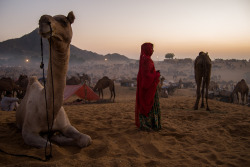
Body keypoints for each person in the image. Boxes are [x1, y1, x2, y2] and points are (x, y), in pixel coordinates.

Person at [135, 42, 161, 131]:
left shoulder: (144, 59)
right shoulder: (147, 60)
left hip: (147, 87)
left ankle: (146, 124)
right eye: (151, 49)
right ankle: (151, 124)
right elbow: (147, 77)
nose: (153, 51)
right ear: (147, 50)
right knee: (151, 104)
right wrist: (156, 75)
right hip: (149, 88)